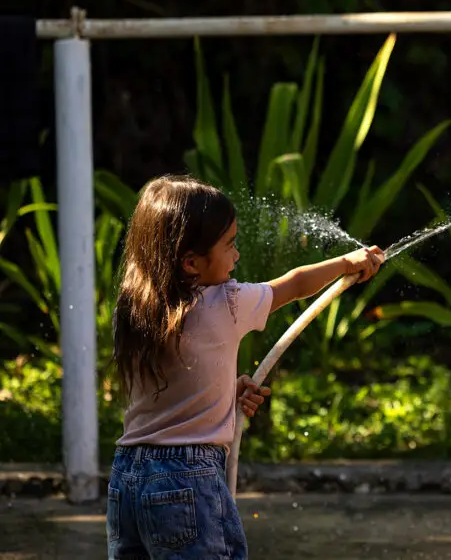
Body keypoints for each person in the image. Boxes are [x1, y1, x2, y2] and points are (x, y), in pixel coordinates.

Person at [105, 174, 384, 559]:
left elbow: (168, 386)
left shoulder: (134, 309)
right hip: (189, 477)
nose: (236, 255)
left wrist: (224, 389)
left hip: (127, 479)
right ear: (191, 262)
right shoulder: (228, 303)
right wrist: (345, 263)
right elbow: (296, 284)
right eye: (229, 245)